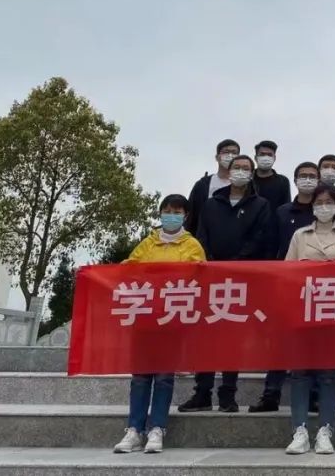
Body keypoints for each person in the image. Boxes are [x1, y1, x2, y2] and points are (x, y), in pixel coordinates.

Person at [113, 195, 205, 454]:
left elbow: (199, 276)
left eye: (176, 211)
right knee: (140, 376)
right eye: (167, 211)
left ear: (185, 216)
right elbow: (129, 268)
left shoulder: (192, 245)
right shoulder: (147, 243)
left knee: (164, 377)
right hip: (144, 316)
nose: (171, 215)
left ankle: (157, 428)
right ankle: (134, 429)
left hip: (171, 318)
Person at [180, 156, 269, 414]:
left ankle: (228, 395)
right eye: (236, 168)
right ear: (228, 172)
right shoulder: (211, 203)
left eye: (246, 168)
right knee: (205, 337)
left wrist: (237, 263)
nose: (240, 171)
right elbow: (201, 235)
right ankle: (202, 393)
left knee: (232, 338)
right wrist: (210, 261)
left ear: (252, 174)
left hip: (241, 278)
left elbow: (260, 237)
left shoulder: (260, 205)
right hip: (210, 277)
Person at [284, 183, 335, 456]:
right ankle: (300, 430)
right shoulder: (300, 235)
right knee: (300, 373)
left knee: (328, 374)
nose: (324, 207)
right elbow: (287, 272)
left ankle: (325, 431)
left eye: (329, 202)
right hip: (303, 310)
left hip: (334, 310)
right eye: (319, 202)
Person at [251, 161, 322, 414]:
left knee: (312, 343)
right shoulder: (281, 212)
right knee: (280, 341)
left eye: (312, 176)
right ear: (294, 179)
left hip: (316, 288)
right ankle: (271, 394)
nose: (307, 179)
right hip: (285, 283)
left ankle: (313, 395)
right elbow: (271, 246)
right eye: (303, 175)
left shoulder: (323, 212)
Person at [185, 138, 239, 233]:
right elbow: (191, 215)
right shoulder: (202, 184)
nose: (230, 156)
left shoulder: (247, 185)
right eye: (226, 152)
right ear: (217, 157)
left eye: (234, 153)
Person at [253, 140, 291, 213]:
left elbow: (286, 208)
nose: (266, 157)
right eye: (262, 154)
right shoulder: (248, 179)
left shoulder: (283, 181)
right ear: (255, 157)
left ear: (274, 158)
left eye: (269, 155)